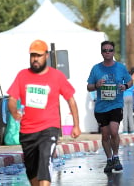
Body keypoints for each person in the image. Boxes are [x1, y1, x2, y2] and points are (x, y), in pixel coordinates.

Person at [7, 39, 81, 186]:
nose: (35, 58)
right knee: (32, 173)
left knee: (45, 166)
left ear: (46, 56)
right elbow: (12, 99)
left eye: (38, 55)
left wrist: (76, 125)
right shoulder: (22, 75)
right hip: (27, 131)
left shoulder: (56, 76)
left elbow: (71, 100)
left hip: (49, 129)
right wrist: (14, 113)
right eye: (32, 55)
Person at [87, 40, 133, 173]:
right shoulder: (96, 68)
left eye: (110, 50)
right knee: (105, 135)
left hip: (116, 104)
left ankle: (116, 156)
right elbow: (88, 87)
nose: (107, 52)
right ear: (101, 53)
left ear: (113, 52)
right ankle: (109, 159)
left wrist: (125, 86)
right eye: (105, 50)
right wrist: (96, 85)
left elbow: (130, 81)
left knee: (114, 131)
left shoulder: (120, 67)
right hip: (101, 107)